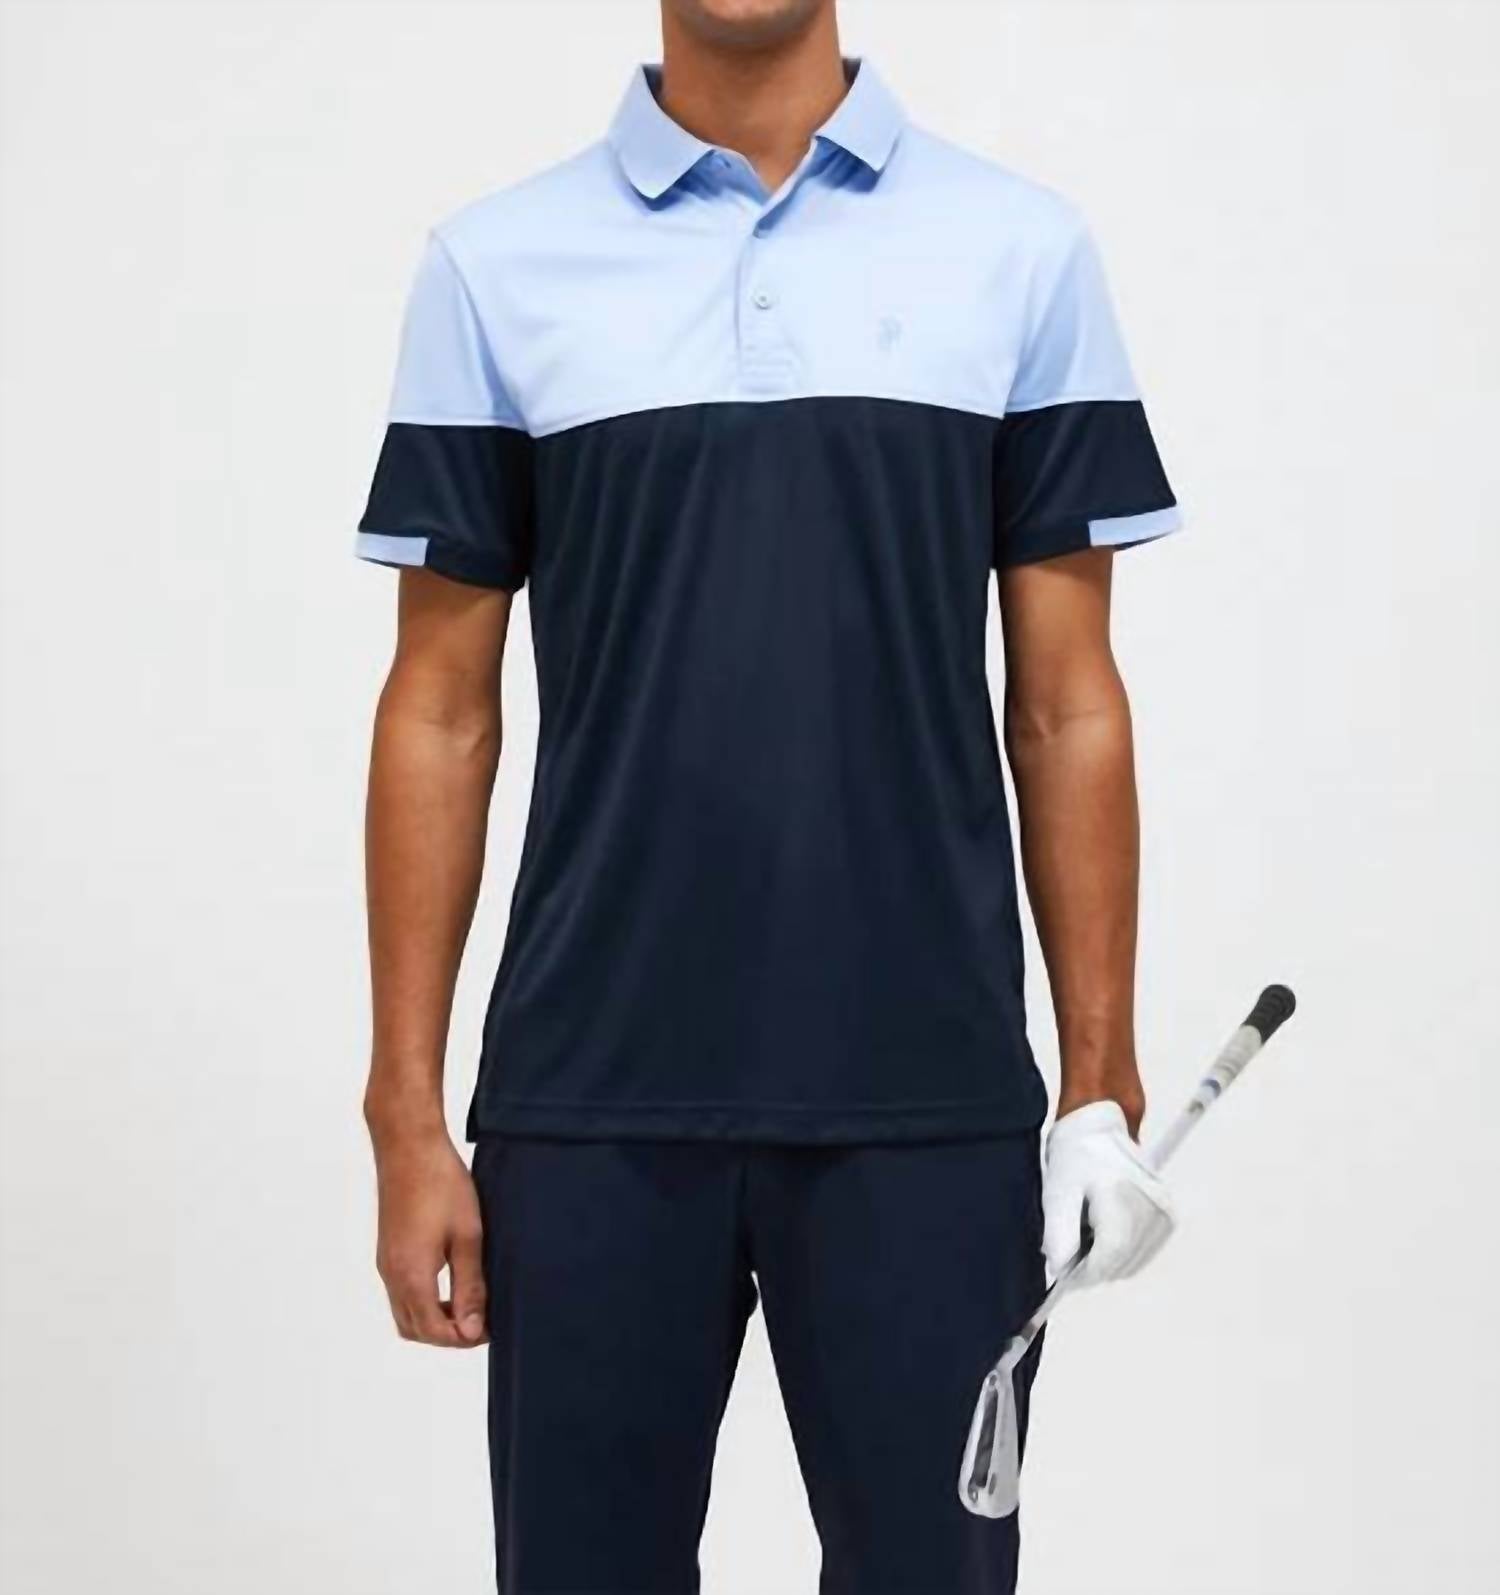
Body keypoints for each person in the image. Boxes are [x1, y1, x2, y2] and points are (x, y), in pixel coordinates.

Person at [357, 1, 1179, 1589]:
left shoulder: (1021, 252)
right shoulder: (493, 265)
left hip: (927, 1104)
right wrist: (404, 1113)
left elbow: (1068, 702)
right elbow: (439, 712)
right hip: (588, 1103)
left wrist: (1096, 1083)